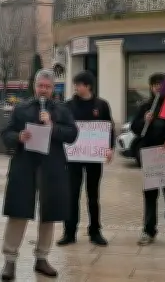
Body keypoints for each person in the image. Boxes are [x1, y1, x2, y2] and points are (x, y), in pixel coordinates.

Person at [0, 69, 78, 280]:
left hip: (51, 167)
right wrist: (18, 136)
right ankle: (10, 260)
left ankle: (42, 258)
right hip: (24, 165)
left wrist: (52, 127)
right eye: (40, 85)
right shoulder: (21, 108)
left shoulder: (62, 110)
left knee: (49, 213)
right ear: (34, 85)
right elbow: (5, 133)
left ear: (53, 88)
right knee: (18, 212)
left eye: (47, 86)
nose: (43, 90)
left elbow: (72, 134)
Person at [58, 70, 115, 247]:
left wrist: (110, 148)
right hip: (73, 158)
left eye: (78, 84)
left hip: (94, 158)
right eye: (75, 84)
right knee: (72, 195)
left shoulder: (102, 105)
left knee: (93, 196)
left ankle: (95, 231)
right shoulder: (68, 106)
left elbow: (109, 128)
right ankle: (69, 232)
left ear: (88, 85)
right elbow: (63, 129)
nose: (75, 87)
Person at [130, 73, 165, 248]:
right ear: (151, 87)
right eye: (155, 84)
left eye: (161, 84)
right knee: (150, 196)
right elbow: (135, 128)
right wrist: (143, 120)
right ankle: (148, 230)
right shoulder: (145, 106)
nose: (158, 87)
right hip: (151, 156)